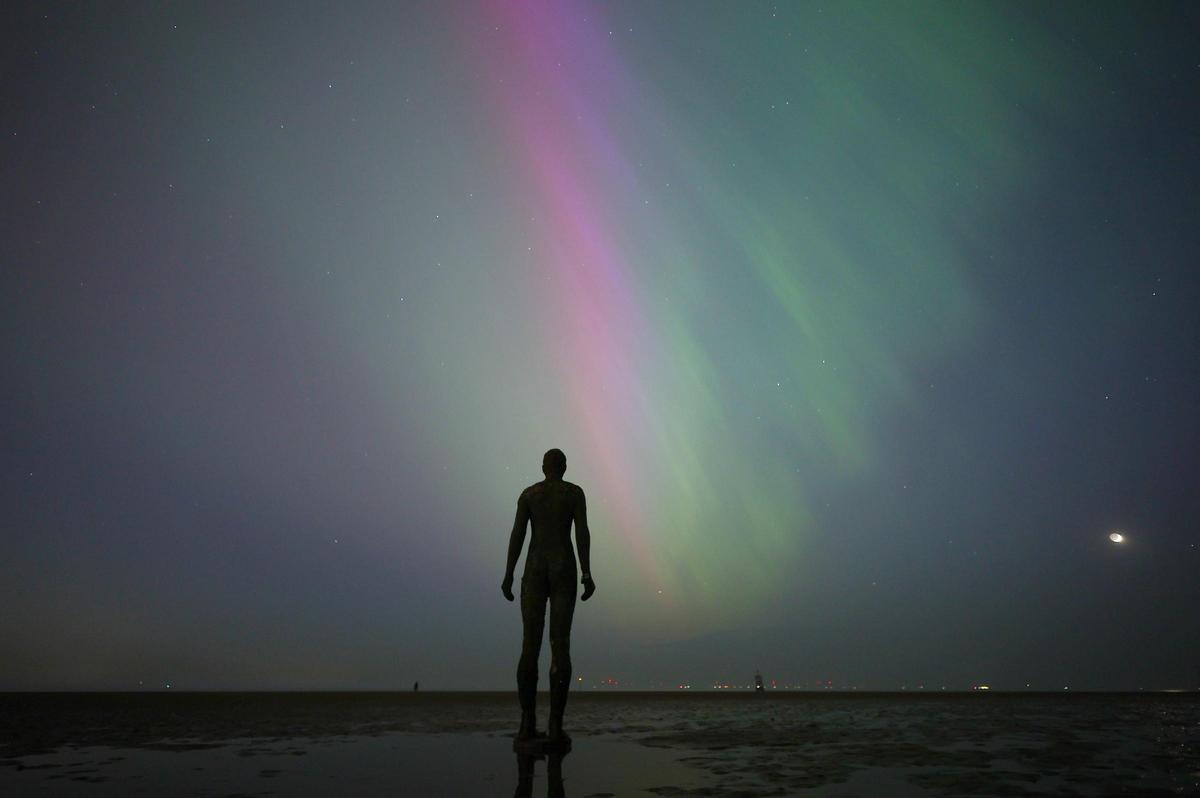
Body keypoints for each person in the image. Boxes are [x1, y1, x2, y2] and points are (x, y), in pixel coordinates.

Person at [502, 448, 595, 745]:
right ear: (564, 467)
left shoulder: (530, 494)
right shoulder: (573, 493)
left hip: (535, 567)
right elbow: (582, 533)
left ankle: (527, 723)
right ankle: (554, 724)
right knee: (560, 645)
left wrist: (508, 573)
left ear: (543, 467)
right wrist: (586, 573)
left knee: (530, 645)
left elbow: (517, 534)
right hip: (562, 567)